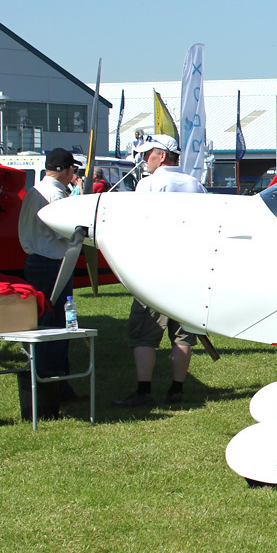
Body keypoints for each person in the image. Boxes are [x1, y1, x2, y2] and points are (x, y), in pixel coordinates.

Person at [113, 135, 207, 408]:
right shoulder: (195, 184)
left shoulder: (149, 184)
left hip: (156, 269)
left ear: (161, 155)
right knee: (183, 333)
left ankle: (144, 391)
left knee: (144, 332)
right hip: (189, 269)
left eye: (148, 154)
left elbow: (138, 224)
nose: (144, 160)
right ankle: (177, 389)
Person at [16, 148, 79, 418]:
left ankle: (57, 382)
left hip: (37, 259)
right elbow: (66, 230)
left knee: (48, 321)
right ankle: (52, 385)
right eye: (72, 170)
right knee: (54, 326)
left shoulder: (35, 190)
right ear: (67, 170)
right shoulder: (56, 195)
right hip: (52, 263)